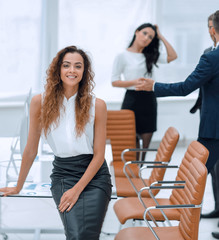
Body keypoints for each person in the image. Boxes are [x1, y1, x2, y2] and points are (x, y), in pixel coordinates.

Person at [0, 46, 112, 240]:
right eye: (66, 65)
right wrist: (18, 186)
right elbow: (30, 149)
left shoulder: (98, 105)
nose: (72, 70)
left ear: (84, 72)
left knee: (86, 234)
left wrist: (76, 190)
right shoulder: (39, 102)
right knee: (76, 233)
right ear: (58, 69)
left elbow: (99, 156)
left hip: (95, 176)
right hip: (64, 174)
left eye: (78, 66)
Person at [134, 10, 219, 239]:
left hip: (214, 130)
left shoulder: (212, 57)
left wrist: (153, 86)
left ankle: (182, 227)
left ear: (212, 30)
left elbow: (184, 88)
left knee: (192, 178)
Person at [111, 23, 177, 160]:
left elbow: (173, 56)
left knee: (143, 150)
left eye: (151, 37)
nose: (147, 38)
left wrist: (161, 36)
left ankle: (138, 174)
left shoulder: (151, 55)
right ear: (137, 32)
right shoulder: (122, 56)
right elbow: (114, 81)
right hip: (131, 99)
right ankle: (129, 174)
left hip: (149, 100)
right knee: (129, 144)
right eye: (145, 33)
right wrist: (134, 82)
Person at [192, 14, 219, 220]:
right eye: (208, 26)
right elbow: (203, 87)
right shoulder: (208, 52)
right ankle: (218, 207)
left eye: (212, 26)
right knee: (214, 170)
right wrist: (198, 107)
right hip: (208, 117)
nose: (210, 30)